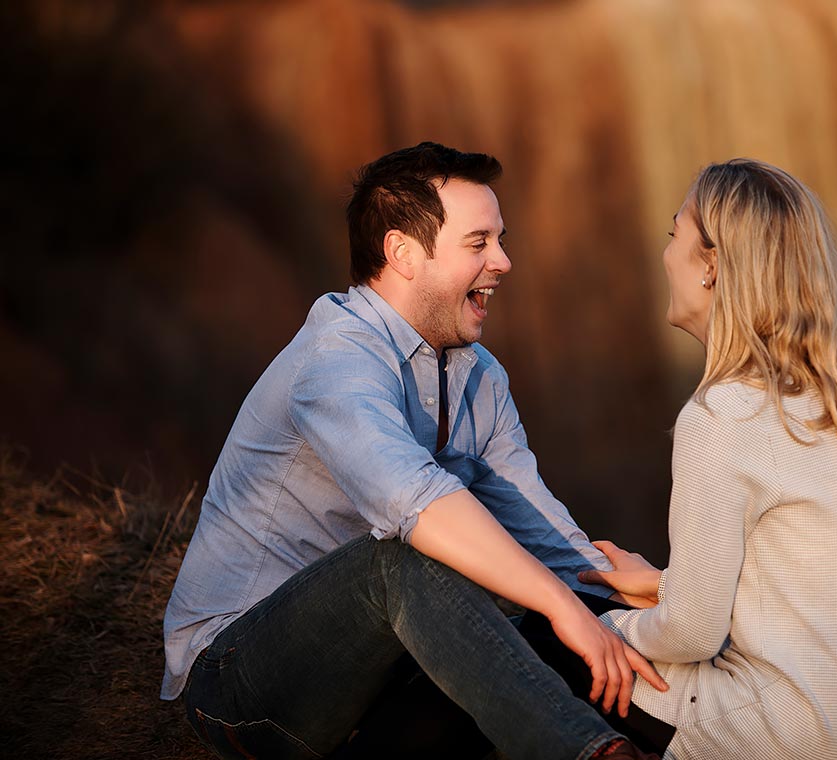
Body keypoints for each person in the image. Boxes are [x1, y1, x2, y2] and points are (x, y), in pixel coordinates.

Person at [161, 142, 668, 760]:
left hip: (379, 672)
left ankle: (710, 739)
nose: (505, 262)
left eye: (501, 240)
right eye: (479, 243)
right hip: (242, 677)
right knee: (404, 563)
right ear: (402, 252)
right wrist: (562, 604)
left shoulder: (479, 375)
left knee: (536, 611)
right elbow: (417, 505)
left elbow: (540, 534)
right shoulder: (335, 360)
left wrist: (635, 596)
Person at [574, 159, 837, 760]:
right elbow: (795, 587)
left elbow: (694, 633)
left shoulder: (723, 416)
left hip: (765, 735)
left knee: (548, 637)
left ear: (713, 266)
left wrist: (607, 626)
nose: (667, 254)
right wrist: (662, 586)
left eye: (674, 234)